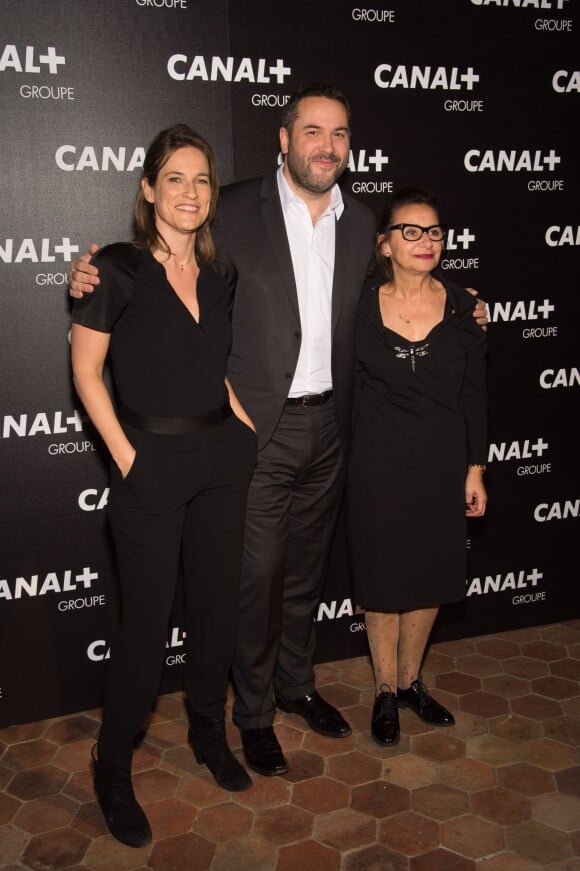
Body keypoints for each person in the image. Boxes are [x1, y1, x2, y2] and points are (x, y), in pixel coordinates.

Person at [69, 85, 488, 778]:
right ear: (284, 140)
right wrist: (82, 278)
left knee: (304, 574)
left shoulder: (362, 226)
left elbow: (416, 278)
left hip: (337, 425)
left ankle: (297, 685)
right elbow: (146, 268)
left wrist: (468, 304)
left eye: (341, 134)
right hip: (254, 426)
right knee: (255, 578)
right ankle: (253, 714)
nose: (328, 145)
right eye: (313, 131)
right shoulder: (229, 208)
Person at [70, 124, 257, 847]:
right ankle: (111, 767)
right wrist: (127, 458)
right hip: (149, 462)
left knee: (215, 613)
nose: (190, 192)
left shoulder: (220, 272)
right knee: (144, 633)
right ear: (148, 189)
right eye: (174, 178)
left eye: (202, 179)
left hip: (221, 456)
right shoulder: (113, 268)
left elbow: (213, 364)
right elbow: (87, 373)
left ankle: (209, 732)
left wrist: (241, 429)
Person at [347, 188, 487, 747]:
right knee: (381, 580)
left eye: (433, 232)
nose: (425, 241)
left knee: (428, 573)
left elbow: (475, 394)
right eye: (410, 231)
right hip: (374, 463)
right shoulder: (354, 306)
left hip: (441, 463)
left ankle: (410, 682)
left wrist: (475, 468)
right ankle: (384, 689)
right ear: (384, 244)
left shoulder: (464, 308)